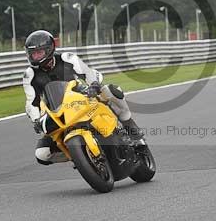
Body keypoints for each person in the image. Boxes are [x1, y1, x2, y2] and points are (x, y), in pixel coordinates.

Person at [22, 30, 145, 165]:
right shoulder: (30, 75)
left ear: (49, 49)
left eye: (38, 53)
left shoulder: (66, 58)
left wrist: (93, 85)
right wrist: (36, 120)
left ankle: (131, 129)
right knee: (42, 154)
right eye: (32, 54)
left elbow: (87, 73)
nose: (35, 56)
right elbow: (31, 102)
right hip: (58, 111)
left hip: (83, 96)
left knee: (111, 91)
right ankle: (79, 157)